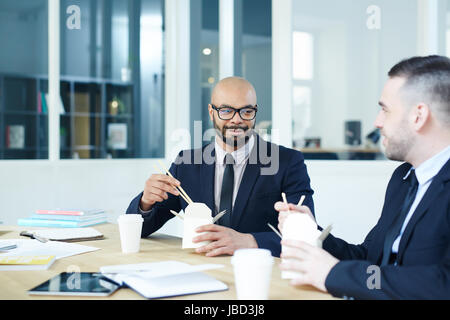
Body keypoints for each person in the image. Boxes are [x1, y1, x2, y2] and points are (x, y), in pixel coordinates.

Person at [275, 55, 450, 299]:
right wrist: (313, 234)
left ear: (418, 116)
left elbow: (442, 285)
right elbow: (371, 260)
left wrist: (334, 274)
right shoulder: (404, 178)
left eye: (385, 110)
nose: (377, 122)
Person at [126, 77, 314, 257]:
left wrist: (250, 241)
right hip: (202, 269)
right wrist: (146, 202)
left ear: (255, 111)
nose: (236, 119)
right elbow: (141, 229)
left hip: (261, 272)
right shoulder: (187, 163)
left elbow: (306, 234)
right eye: (226, 111)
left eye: (246, 111)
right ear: (211, 112)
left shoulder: (287, 162)